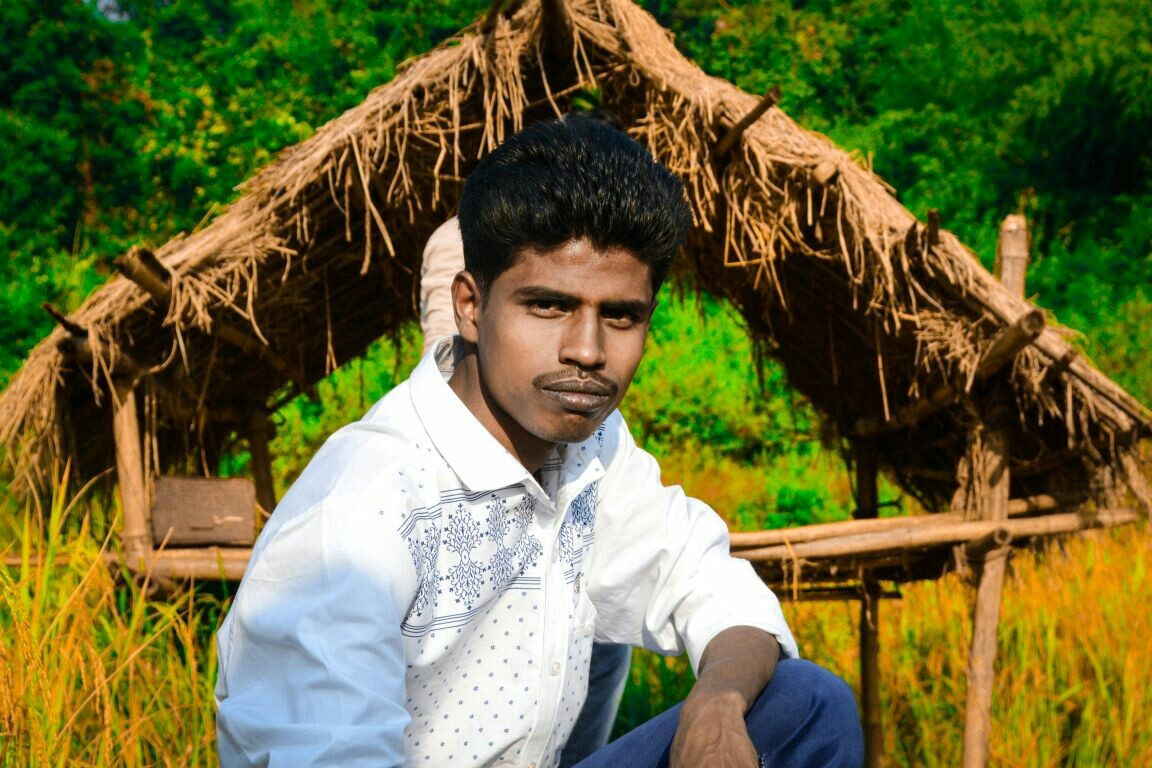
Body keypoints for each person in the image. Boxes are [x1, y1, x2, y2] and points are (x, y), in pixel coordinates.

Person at [215, 117, 864, 767]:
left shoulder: (592, 450)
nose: (587, 351)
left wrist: (716, 702)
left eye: (620, 315)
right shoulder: (356, 520)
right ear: (470, 306)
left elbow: (711, 586)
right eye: (549, 306)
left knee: (805, 704)